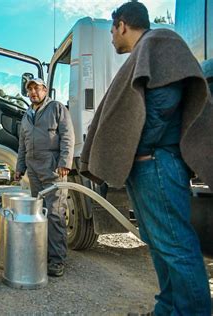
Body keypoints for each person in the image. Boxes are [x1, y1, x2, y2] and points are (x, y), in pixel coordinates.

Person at [80, 2, 213, 314]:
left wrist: (139, 147)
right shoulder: (145, 50)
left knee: (176, 246)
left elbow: (165, 102)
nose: (112, 37)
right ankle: (167, 307)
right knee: (158, 245)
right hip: (144, 167)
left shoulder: (159, 42)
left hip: (156, 165)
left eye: (112, 30)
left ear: (123, 25)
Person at [15, 78, 75, 277]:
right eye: (29, 89)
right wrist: (19, 168)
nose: (33, 92)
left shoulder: (56, 108)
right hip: (33, 170)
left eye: (36, 88)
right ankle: (43, 255)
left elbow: (67, 135)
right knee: (38, 213)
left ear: (45, 90)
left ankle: (57, 260)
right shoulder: (26, 116)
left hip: (52, 169)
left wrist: (65, 162)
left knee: (55, 213)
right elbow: (22, 145)